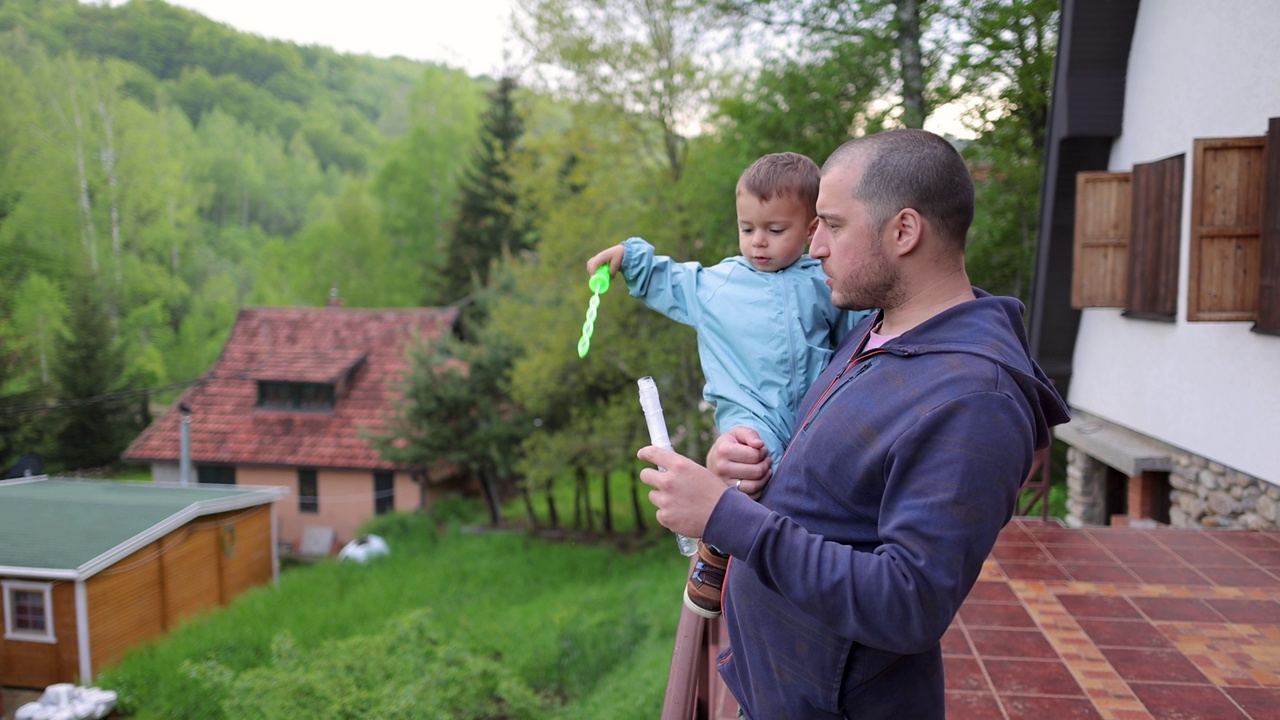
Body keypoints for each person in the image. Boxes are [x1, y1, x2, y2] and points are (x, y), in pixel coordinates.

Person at [637, 129, 1070, 719]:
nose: (814, 246)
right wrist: (743, 466)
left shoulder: (975, 399)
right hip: (781, 693)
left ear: (904, 231)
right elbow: (830, 490)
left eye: (833, 225)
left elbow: (908, 603)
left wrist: (724, 517)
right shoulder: (877, 331)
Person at [587, 152, 871, 619]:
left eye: (775, 230)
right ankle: (716, 554)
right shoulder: (718, 286)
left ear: (811, 228)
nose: (758, 242)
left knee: (814, 486)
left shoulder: (826, 282)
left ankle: (801, 577)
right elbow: (672, 280)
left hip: (811, 412)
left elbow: (856, 334)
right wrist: (630, 260)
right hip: (748, 416)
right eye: (747, 229)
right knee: (751, 468)